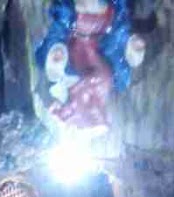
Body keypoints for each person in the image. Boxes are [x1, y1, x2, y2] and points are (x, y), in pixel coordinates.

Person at [35, 0, 146, 131]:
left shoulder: (70, 68)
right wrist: (131, 44)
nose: (95, 97)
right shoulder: (114, 73)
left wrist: (56, 53)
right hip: (99, 30)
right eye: (99, 101)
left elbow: (57, 32)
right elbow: (119, 35)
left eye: (90, 100)